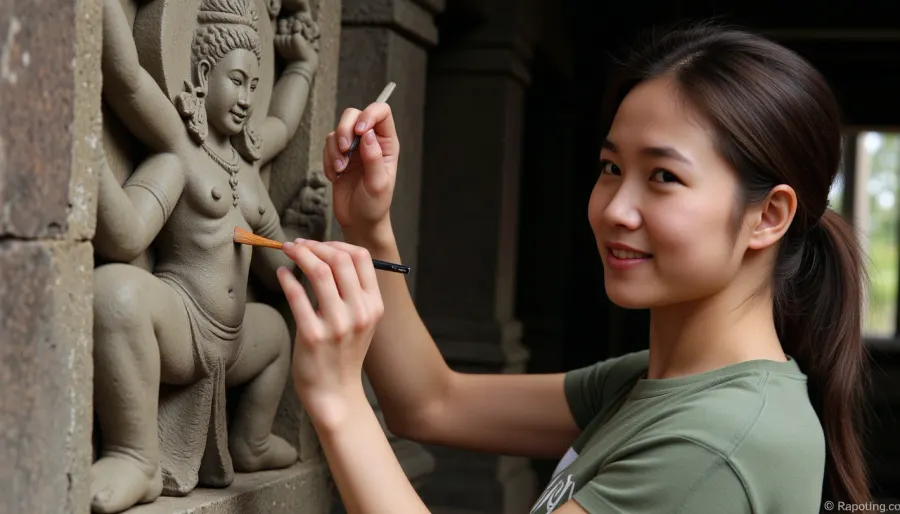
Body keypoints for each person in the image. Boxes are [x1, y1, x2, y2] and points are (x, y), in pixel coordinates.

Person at [274, 22, 871, 513]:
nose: (615, 209)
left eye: (663, 177)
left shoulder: (713, 444)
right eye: (611, 168)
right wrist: (369, 224)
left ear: (769, 215)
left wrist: (337, 399)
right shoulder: (659, 384)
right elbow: (432, 402)